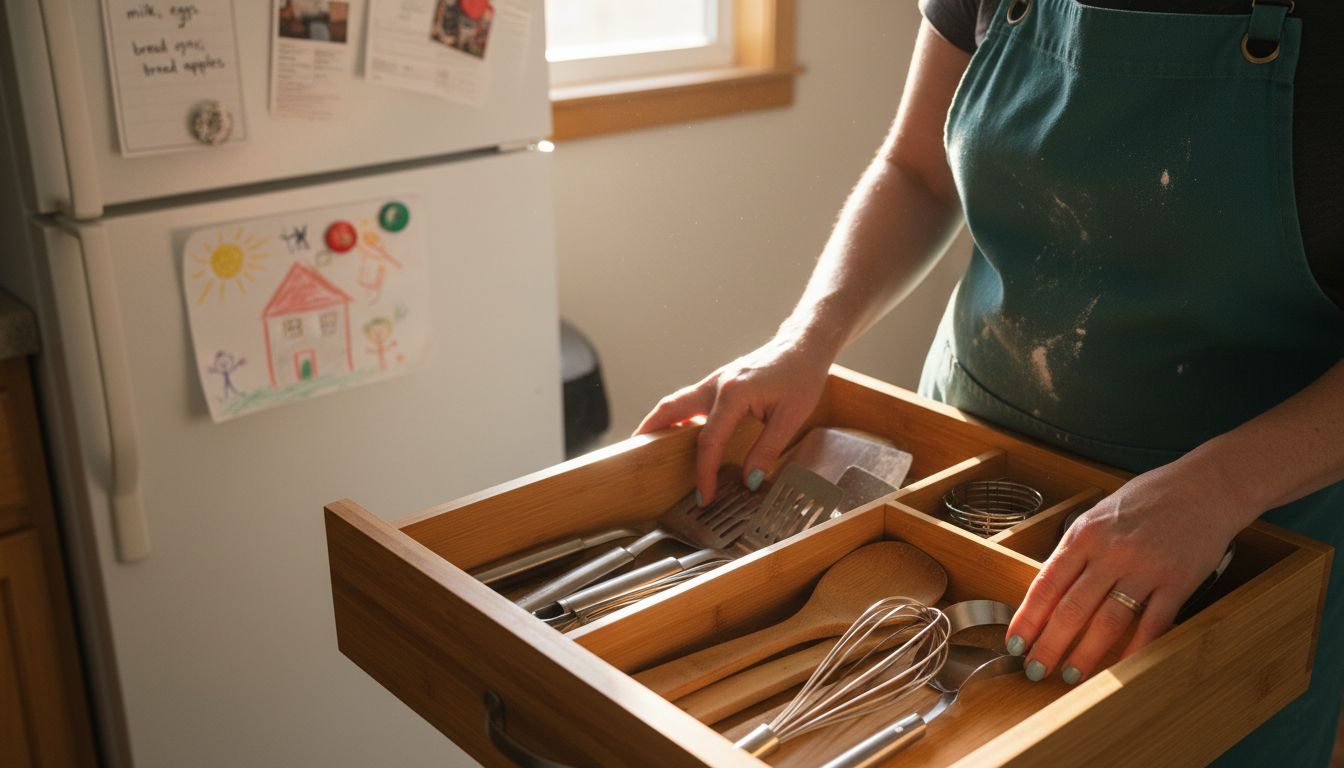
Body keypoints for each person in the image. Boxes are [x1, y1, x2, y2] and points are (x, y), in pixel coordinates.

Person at [636, 0, 1343, 764]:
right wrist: (806, 339)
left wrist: (1220, 487)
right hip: (968, 450)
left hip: (1246, 514)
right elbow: (917, 173)